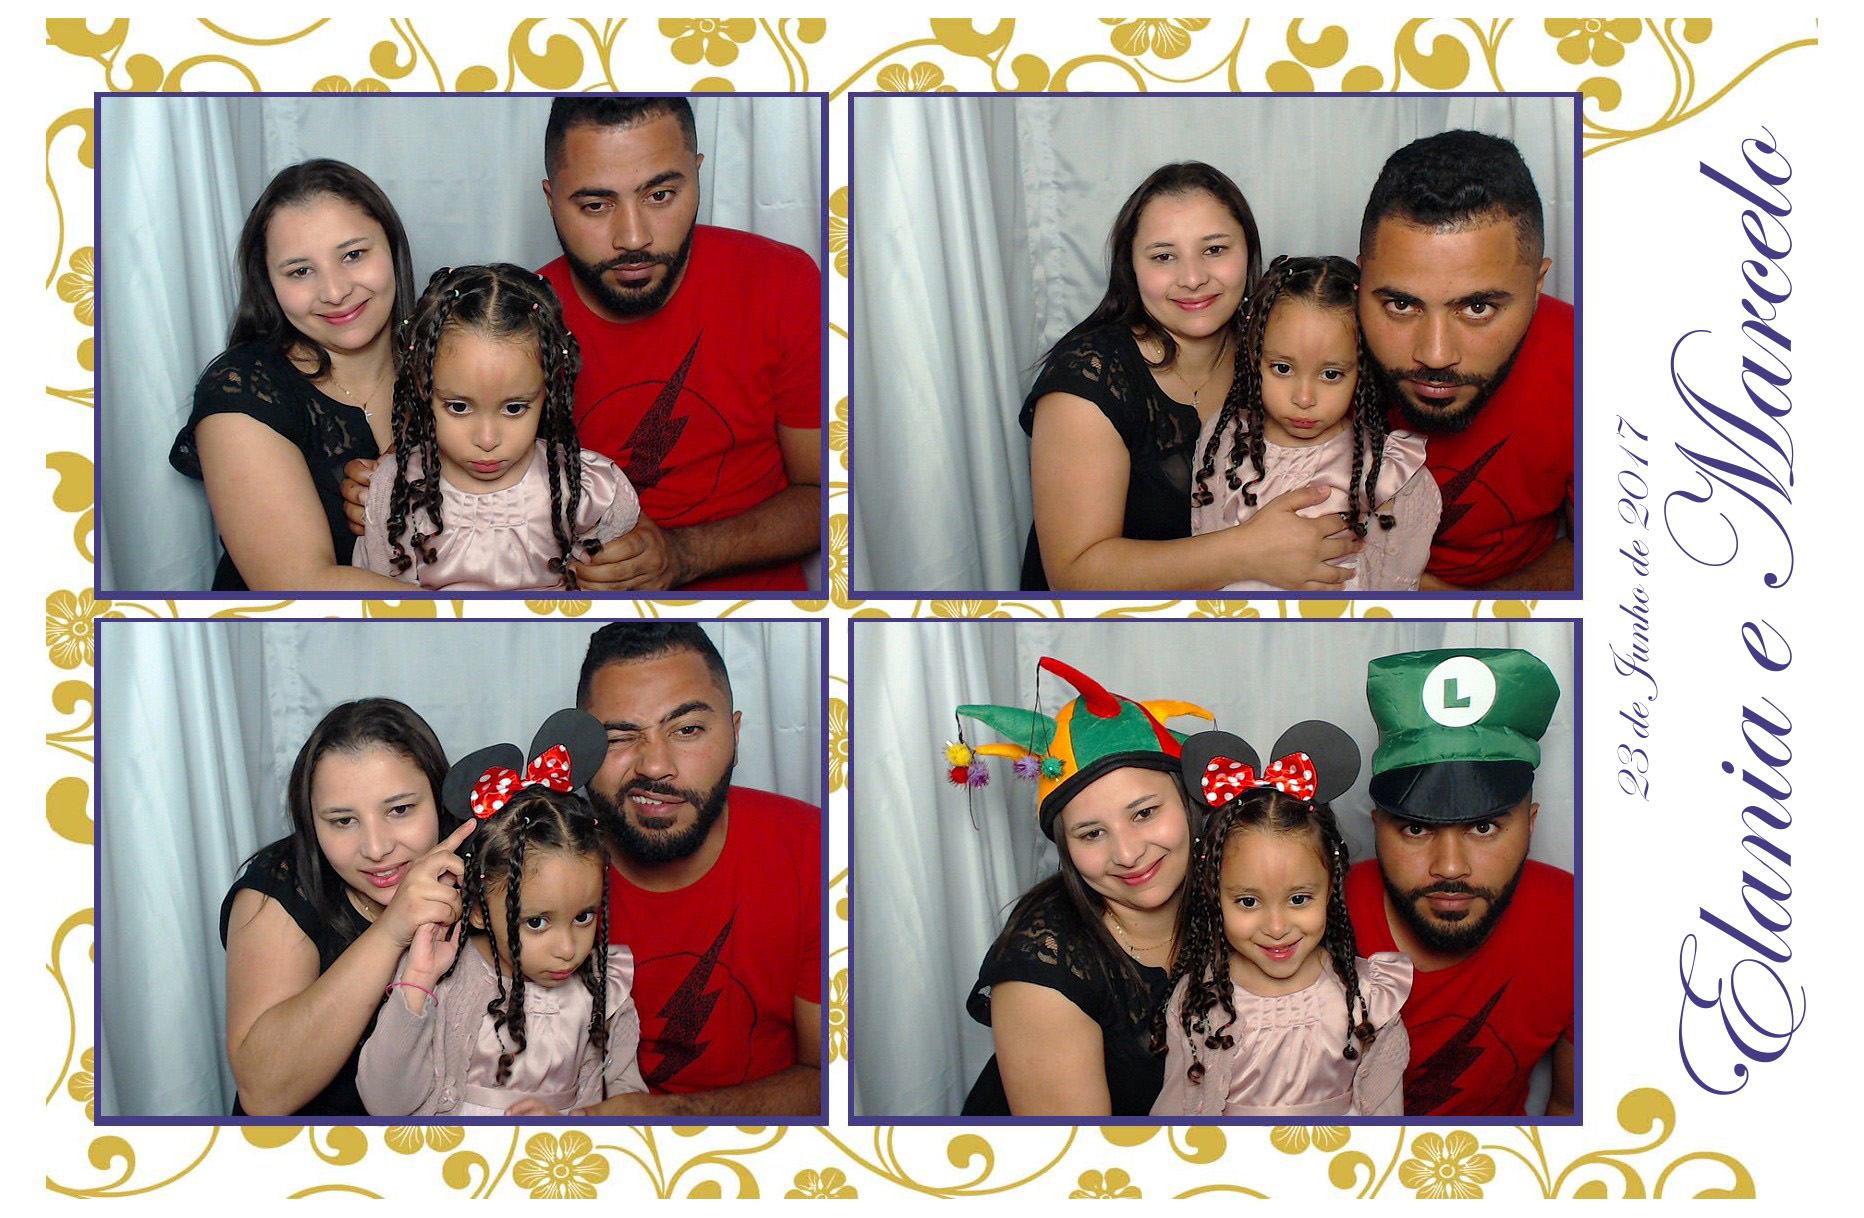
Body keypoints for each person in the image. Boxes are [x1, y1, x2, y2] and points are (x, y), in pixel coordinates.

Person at [1022, 162, 1364, 592]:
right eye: (1164, 256)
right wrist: (1247, 552)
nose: (1193, 278)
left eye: (1215, 250)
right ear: (1131, 267)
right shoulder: (1089, 379)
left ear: (1248, 252)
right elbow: (1073, 577)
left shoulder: (1276, 354)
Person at [571, 623, 821, 1115]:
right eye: (619, 737)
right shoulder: (536, 865)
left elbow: (828, 1077)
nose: (654, 766)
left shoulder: (814, 849)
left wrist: (677, 1117)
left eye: (687, 730)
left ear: (735, 735)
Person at [952, 657, 1214, 1115]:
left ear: (1189, 802)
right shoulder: (1045, 970)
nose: (1127, 854)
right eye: (1091, 833)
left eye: (1144, 813)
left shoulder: (1235, 895)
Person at [358, 710, 647, 1116]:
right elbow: (385, 1106)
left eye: (584, 916)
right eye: (536, 922)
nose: (568, 948)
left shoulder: (604, 986)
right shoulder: (442, 976)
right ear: (477, 910)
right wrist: (418, 981)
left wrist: (579, 1125)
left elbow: (630, 1100)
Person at [170, 159, 421, 593]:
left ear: (392, 249)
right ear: (268, 283)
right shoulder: (242, 390)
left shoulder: (447, 362)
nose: (335, 291)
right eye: (300, 271)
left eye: (353, 255)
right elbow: (298, 585)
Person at [1345, 647, 1574, 1116]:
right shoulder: (1308, 918)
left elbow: (1572, 1109)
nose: (1450, 868)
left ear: (1531, 824)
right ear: (1377, 827)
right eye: (1416, 828)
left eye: (1484, 827)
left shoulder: (1579, 924)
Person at [220, 698, 475, 1115]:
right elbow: (263, 1093)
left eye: (399, 810)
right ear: (311, 821)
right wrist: (391, 930)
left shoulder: (481, 870)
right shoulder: (280, 888)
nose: (376, 848)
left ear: (439, 798)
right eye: (343, 821)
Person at [1153, 726, 1411, 1117]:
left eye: (1299, 899)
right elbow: (1178, 1116)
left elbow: (1387, 1118)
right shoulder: (1201, 1003)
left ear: (1331, 887)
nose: (1276, 928)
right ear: (1214, 894)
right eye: (1248, 901)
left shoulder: (1370, 997)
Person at [1356, 130, 1575, 591]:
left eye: (1477, 308)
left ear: (1536, 287)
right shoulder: (1307, 345)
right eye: (1401, 304)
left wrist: (1468, 609)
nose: (1435, 355)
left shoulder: (1590, 364)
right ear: (1361, 281)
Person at [350, 264, 640, 591]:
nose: (487, 440)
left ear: (547, 389)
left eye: (514, 408)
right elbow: (381, 603)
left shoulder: (587, 489)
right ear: (421, 386)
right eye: (459, 407)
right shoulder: (397, 491)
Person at [1192, 254, 1441, 592]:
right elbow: (1204, 564)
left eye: (1331, 374)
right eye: (1282, 368)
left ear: (1362, 370)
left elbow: (1389, 595)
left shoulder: (1389, 474)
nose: (1304, 398)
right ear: (1253, 355)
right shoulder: (1225, 439)